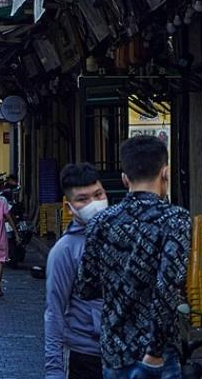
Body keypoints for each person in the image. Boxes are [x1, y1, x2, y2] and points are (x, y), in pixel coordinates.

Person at [76, 136, 191, 379]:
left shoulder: (100, 222)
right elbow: (168, 287)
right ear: (165, 173)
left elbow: (86, 287)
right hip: (159, 354)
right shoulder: (175, 220)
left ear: (124, 178)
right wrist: (155, 351)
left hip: (114, 351)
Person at [44, 163, 107, 379]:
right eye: (83, 199)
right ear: (70, 208)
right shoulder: (65, 250)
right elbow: (54, 312)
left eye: (98, 195)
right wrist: (54, 370)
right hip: (85, 356)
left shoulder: (122, 237)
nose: (94, 204)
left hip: (126, 358)